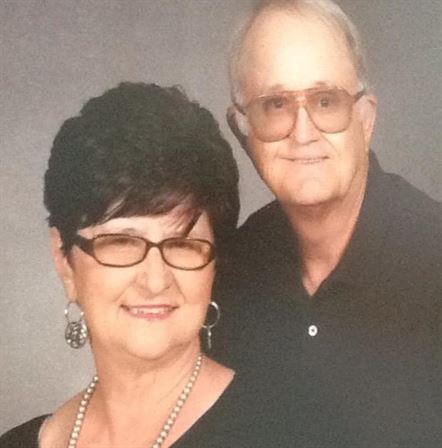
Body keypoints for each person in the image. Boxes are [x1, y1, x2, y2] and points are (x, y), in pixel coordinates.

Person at [213, 0, 441, 446]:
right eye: (275, 104)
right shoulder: (231, 270)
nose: (303, 132)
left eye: (325, 101)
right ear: (243, 128)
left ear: (365, 119)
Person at [0, 82, 271, 447]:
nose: (155, 281)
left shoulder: (285, 430)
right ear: (64, 261)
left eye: (183, 245)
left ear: (214, 264)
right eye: (121, 243)